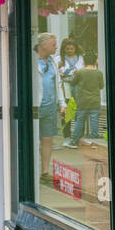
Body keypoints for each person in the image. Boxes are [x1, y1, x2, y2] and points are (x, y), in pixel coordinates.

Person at [32, 32, 66, 183]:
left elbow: (57, 84)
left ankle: (45, 171)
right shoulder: (32, 60)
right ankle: (33, 170)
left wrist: (62, 103)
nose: (56, 47)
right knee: (33, 140)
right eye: (53, 44)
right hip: (35, 107)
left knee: (47, 140)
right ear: (43, 45)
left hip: (50, 107)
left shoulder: (52, 61)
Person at [62, 51, 104, 147]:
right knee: (94, 123)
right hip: (95, 101)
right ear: (95, 61)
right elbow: (101, 86)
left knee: (79, 122)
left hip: (82, 101)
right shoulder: (99, 73)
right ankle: (95, 143)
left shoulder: (80, 72)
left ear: (84, 61)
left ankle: (74, 141)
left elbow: (73, 83)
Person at [57, 38, 83, 139]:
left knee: (78, 109)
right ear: (64, 49)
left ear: (75, 48)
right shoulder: (59, 58)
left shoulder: (81, 58)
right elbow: (55, 72)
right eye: (67, 49)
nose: (69, 51)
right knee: (67, 109)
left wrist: (79, 72)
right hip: (65, 86)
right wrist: (60, 72)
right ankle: (66, 133)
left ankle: (77, 133)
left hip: (78, 85)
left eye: (71, 49)